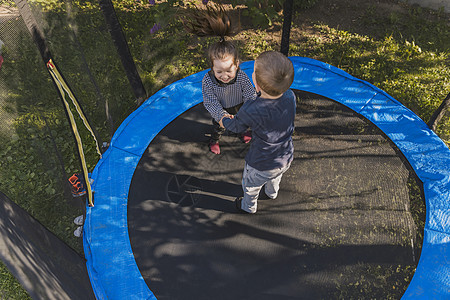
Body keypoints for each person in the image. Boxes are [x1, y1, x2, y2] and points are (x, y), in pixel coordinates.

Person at [219, 51, 296, 214]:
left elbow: (237, 127)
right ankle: (272, 193)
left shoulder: (252, 108)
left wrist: (224, 120)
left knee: (250, 186)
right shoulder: (290, 96)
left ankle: (248, 207)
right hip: (286, 156)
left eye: (253, 71)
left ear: (256, 83)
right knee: (276, 177)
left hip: (261, 163)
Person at [181, 3, 256, 154]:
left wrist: (248, 108)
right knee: (219, 127)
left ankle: (241, 132)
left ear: (236, 65)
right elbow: (210, 101)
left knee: (241, 123)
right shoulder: (208, 80)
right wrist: (221, 116)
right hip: (222, 109)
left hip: (240, 105)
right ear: (212, 68)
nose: (224, 76)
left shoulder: (241, 76)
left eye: (229, 70)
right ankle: (214, 139)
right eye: (219, 71)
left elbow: (250, 93)